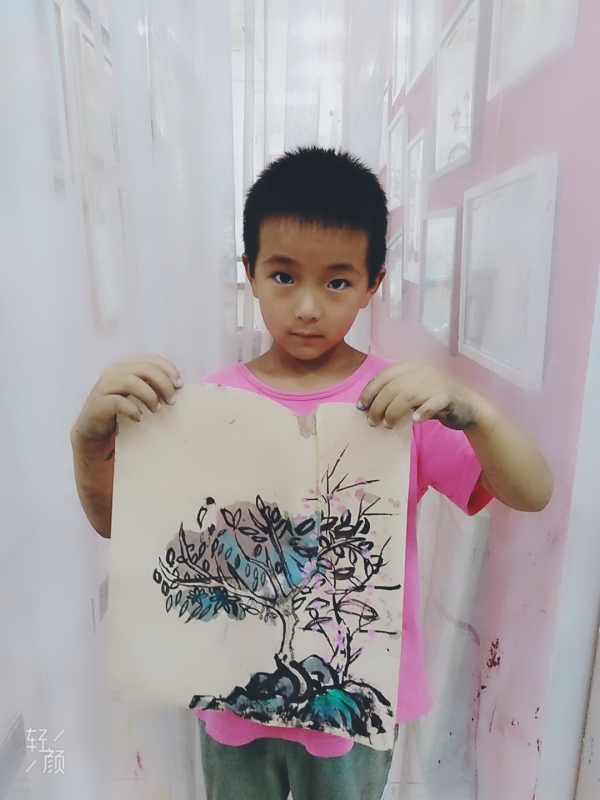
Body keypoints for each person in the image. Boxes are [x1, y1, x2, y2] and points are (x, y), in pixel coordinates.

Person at [71, 147, 552, 800]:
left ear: (374, 283)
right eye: (282, 275)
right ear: (249, 271)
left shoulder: (397, 404)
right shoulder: (208, 404)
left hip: (352, 705)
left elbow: (532, 492)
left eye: (337, 282)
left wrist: (474, 411)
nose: (306, 306)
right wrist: (88, 444)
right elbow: (118, 527)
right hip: (233, 704)